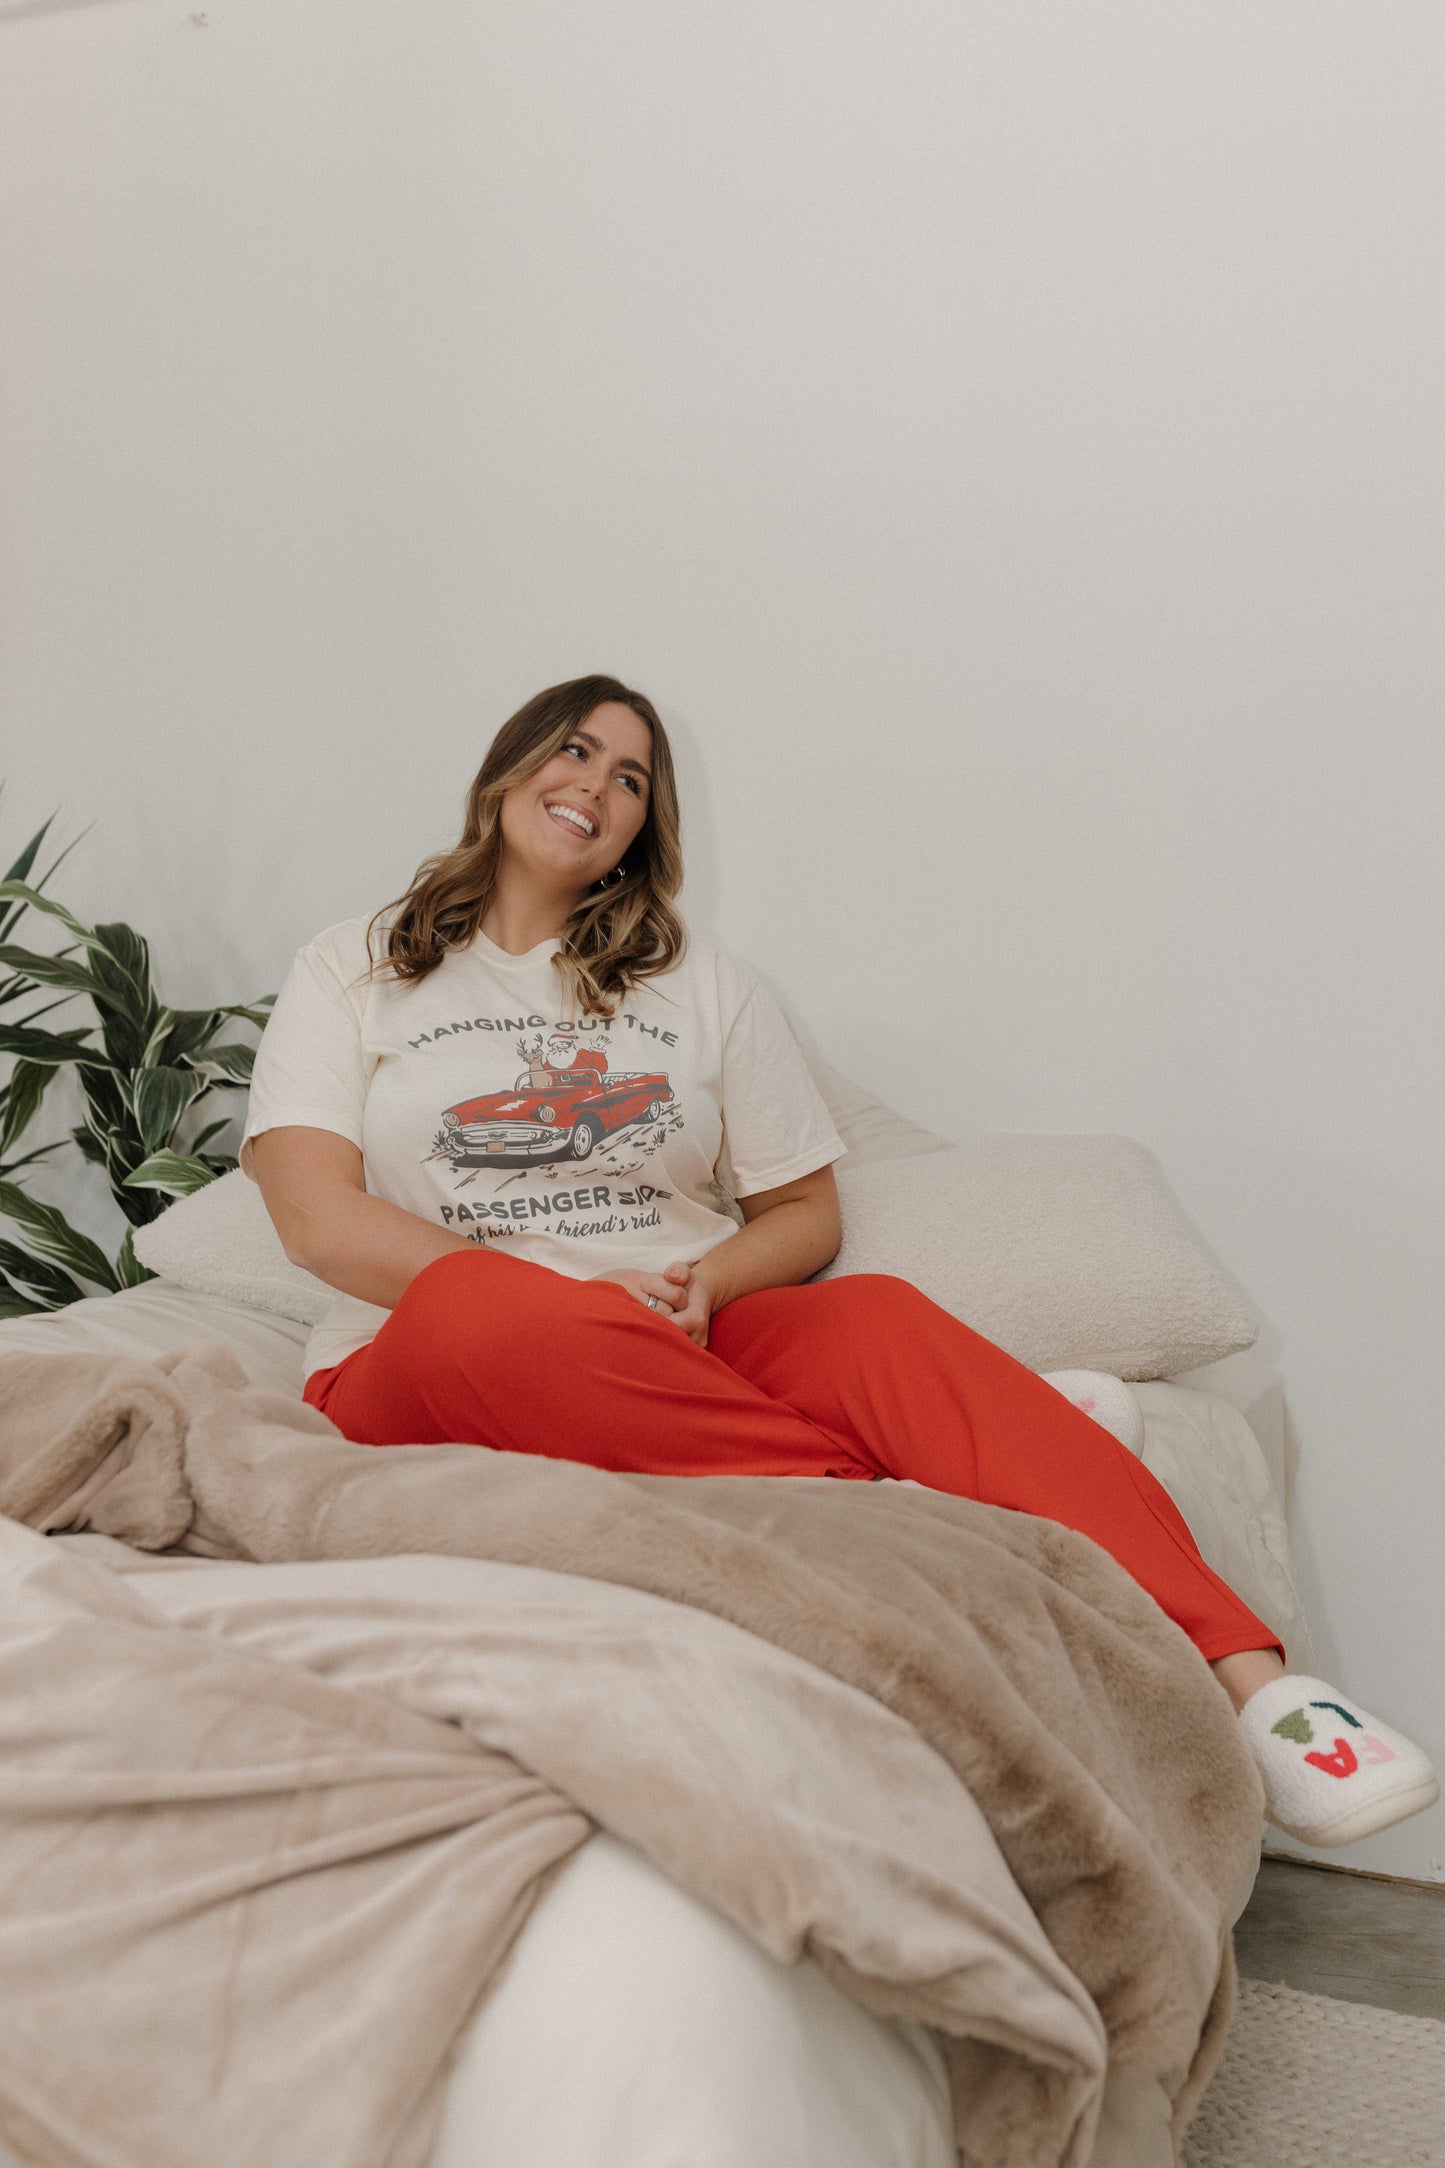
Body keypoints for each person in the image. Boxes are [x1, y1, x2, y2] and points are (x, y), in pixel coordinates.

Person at [246, 673, 1436, 1851]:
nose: (592, 786)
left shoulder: (699, 981)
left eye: (628, 778)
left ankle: (1265, 1693)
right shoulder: (353, 964)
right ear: (506, 770)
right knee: (479, 1311)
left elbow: (802, 1210)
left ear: (641, 830)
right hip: (436, 1349)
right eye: (570, 751)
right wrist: (550, 1294)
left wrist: (710, 1282)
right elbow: (312, 1213)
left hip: (681, 1327)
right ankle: (930, 1498)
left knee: (871, 1316)